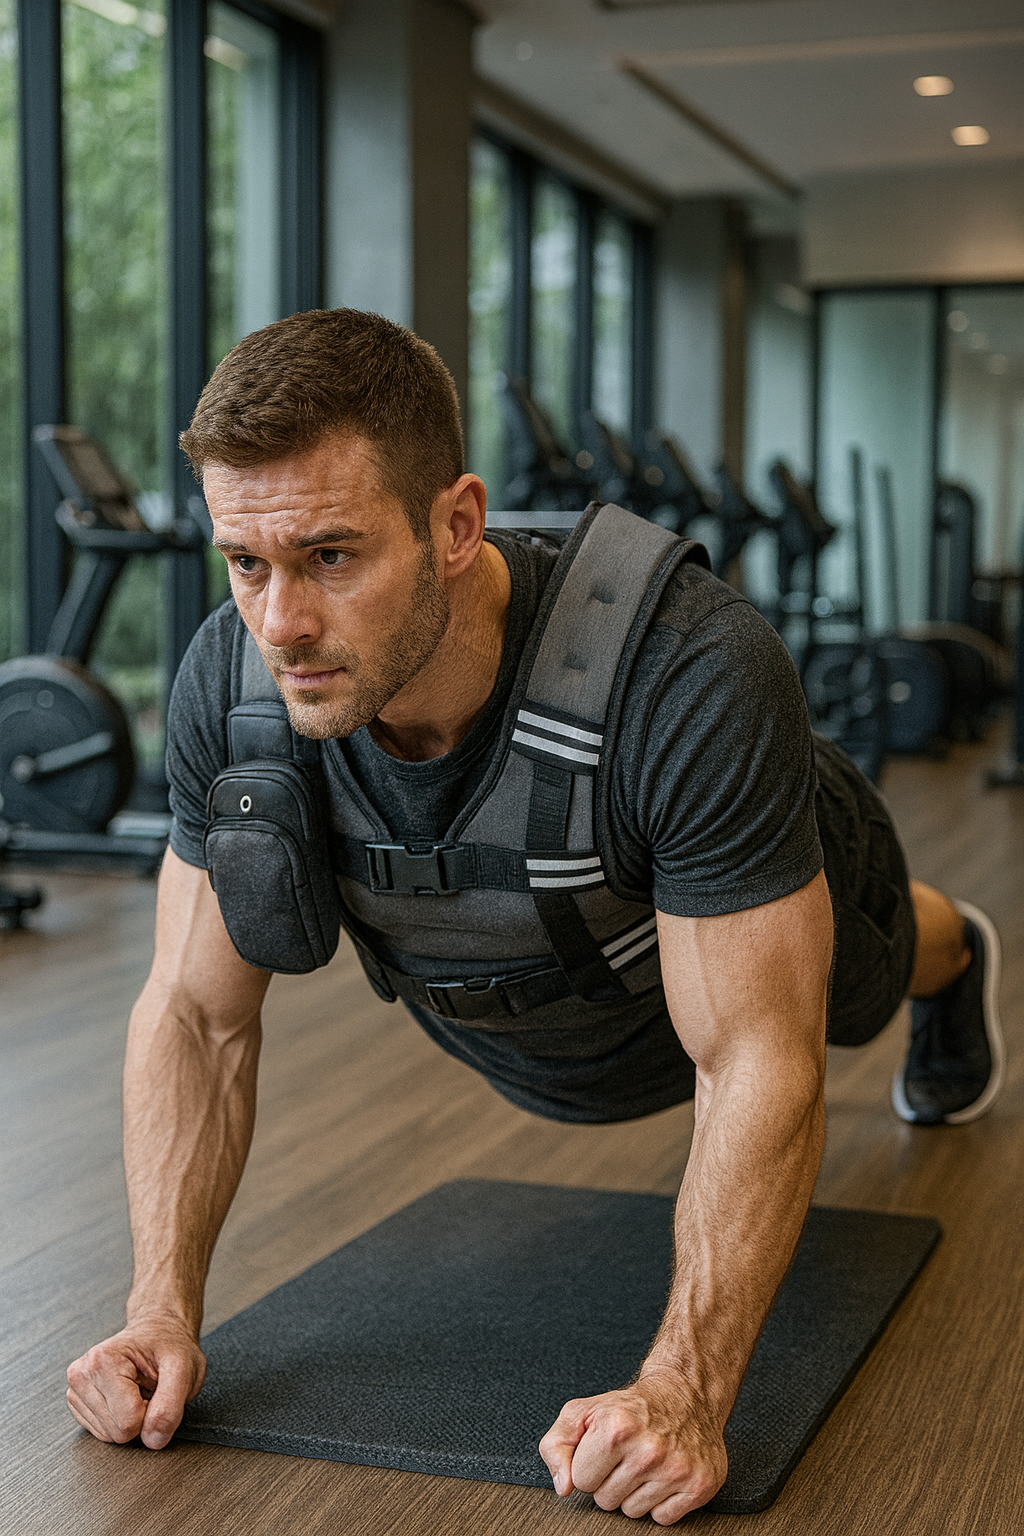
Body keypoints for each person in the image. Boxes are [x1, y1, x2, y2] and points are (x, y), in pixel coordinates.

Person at [66, 309, 1004, 1525]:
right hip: (521, 1002)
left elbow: (757, 1058)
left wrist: (685, 1388)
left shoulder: (692, 672)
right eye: (246, 563)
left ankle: (959, 953)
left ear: (456, 526)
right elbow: (195, 1017)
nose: (280, 622)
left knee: (869, 973)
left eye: (331, 556)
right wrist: (157, 1312)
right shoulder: (232, 687)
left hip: (728, 952)